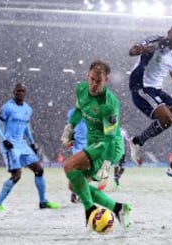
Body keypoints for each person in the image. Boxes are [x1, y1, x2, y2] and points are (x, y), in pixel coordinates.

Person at [61, 60, 131, 229]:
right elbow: (79, 110)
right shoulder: (81, 89)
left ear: (105, 80)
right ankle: (118, 208)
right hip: (94, 142)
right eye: (91, 79)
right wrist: (69, 127)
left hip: (110, 146)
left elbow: (108, 139)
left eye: (98, 81)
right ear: (88, 76)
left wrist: (106, 166)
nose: (93, 84)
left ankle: (90, 210)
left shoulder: (109, 103)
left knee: (68, 165)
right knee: (75, 185)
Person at [128, 21, 172, 185]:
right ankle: (137, 141)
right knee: (167, 119)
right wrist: (148, 48)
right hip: (140, 88)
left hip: (157, 90)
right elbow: (132, 51)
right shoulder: (154, 40)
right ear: (169, 32)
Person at [0, 83, 60, 211]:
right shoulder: (7, 107)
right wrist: (4, 140)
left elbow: (26, 128)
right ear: (14, 92)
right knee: (16, 176)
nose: (20, 93)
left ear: (25, 93)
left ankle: (43, 201)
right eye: (18, 91)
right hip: (10, 145)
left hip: (22, 144)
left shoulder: (28, 109)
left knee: (39, 169)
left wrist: (32, 143)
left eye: (22, 91)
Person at [67, 107, 88, 204]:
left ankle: (77, 192)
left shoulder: (95, 110)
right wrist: (69, 139)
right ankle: (76, 192)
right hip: (78, 145)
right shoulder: (72, 112)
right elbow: (69, 126)